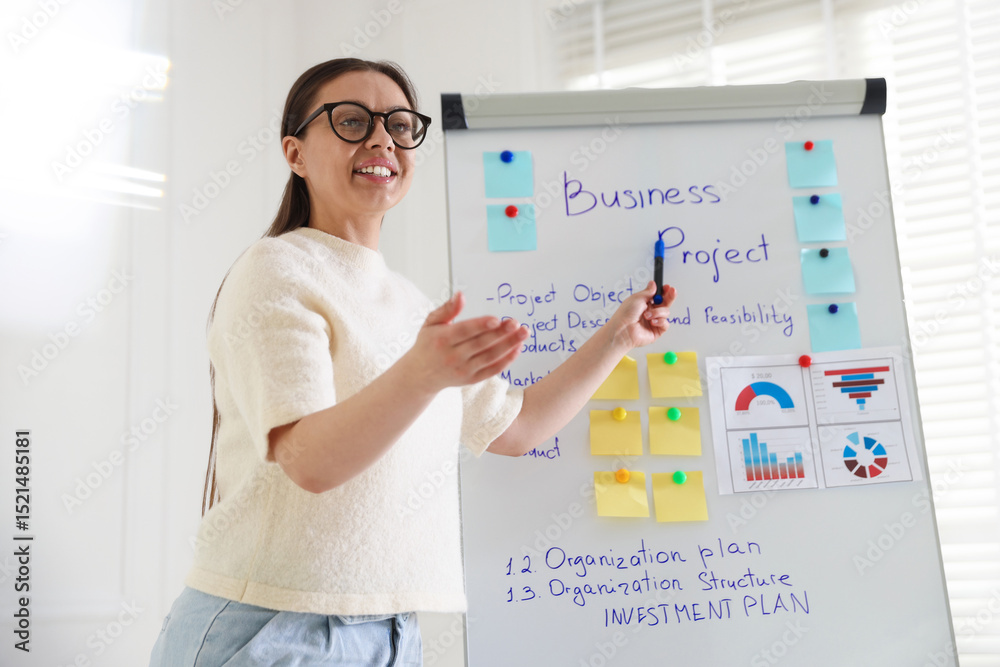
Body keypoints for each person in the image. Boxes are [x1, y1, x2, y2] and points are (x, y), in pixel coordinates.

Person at [148, 57, 677, 667]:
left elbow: (517, 426)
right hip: (275, 624)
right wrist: (422, 374)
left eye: (399, 125)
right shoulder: (276, 269)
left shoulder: (410, 303)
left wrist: (619, 337)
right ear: (295, 153)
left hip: (391, 631)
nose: (382, 140)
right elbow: (309, 461)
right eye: (351, 121)